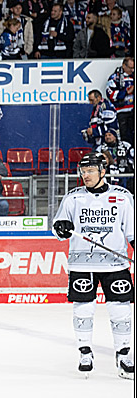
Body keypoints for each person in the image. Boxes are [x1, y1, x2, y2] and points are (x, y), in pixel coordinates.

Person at [52, 153, 134, 379]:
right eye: (83, 171)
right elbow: (58, 228)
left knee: (121, 309)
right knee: (83, 308)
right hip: (81, 263)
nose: (85, 175)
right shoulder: (73, 198)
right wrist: (61, 228)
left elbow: (131, 232)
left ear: (103, 171)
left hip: (115, 263)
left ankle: (124, 355)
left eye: (90, 171)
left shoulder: (122, 197)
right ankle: (84, 352)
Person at [106, 57, 135, 146]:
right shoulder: (115, 77)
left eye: (133, 67)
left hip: (133, 111)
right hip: (121, 112)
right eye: (130, 68)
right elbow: (110, 94)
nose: (132, 70)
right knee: (124, 138)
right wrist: (126, 92)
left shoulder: (133, 76)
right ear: (123, 65)